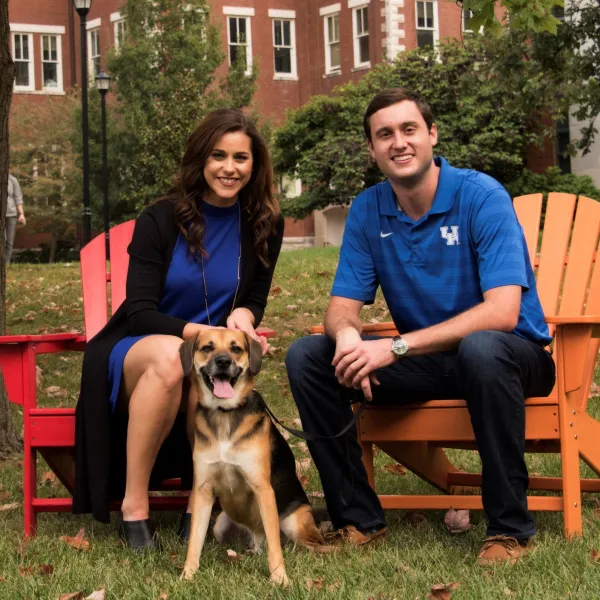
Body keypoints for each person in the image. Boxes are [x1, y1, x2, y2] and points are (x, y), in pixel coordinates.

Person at [285, 89, 555, 565]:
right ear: (372, 150)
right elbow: (341, 307)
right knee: (309, 356)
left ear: (431, 135)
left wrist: (395, 347)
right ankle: (358, 520)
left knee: (482, 348)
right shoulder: (369, 210)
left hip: (513, 356)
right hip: (428, 361)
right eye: (384, 134)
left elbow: (502, 312)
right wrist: (348, 337)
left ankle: (509, 529)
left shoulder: (482, 196)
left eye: (408, 129)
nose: (398, 142)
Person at [73, 108, 284, 549]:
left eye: (241, 158)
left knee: (197, 365)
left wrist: (245, 318)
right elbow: (140, 311)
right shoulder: (161, 219)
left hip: (207, 354)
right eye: (218, 156)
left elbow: (254, 297)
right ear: (200, 160)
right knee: (176, 357)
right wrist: (198, 335)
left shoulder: (264, 222)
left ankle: (198, 506)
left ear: (255, 164)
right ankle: (134, 508)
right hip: (136, 346)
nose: (229, 168)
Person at [6, 173, 26, 264]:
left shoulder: (12, 179)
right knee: (3, 239)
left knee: (9, 242)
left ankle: (6, 264)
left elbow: (18, 197)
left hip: (11, 214)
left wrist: (21, 213)